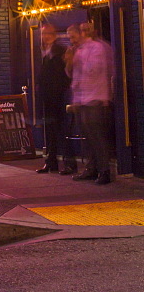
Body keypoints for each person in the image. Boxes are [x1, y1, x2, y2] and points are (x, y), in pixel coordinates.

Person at [68, 21, 113, 184]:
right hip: (84, 100)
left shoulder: (97, 48)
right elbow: (76, 77)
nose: (72, 40)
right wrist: (75, 100)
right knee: (88, 138)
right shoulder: (79, 51)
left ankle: (104, 171)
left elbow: (94, 70)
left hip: (96, 99)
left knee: (97, 137)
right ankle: (92, 169)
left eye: (73, 36)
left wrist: (76, 59)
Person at [36, 24, 75, 175]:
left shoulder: (60, 51)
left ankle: (69, 163)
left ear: (54, 35)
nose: (46, 37)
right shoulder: (43, 51)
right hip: (47, 97)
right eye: (43, 34)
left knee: (62, 130)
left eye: (48, 34)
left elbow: (64, 74)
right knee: (50, 131)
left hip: (58, 96)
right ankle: (51, 162)